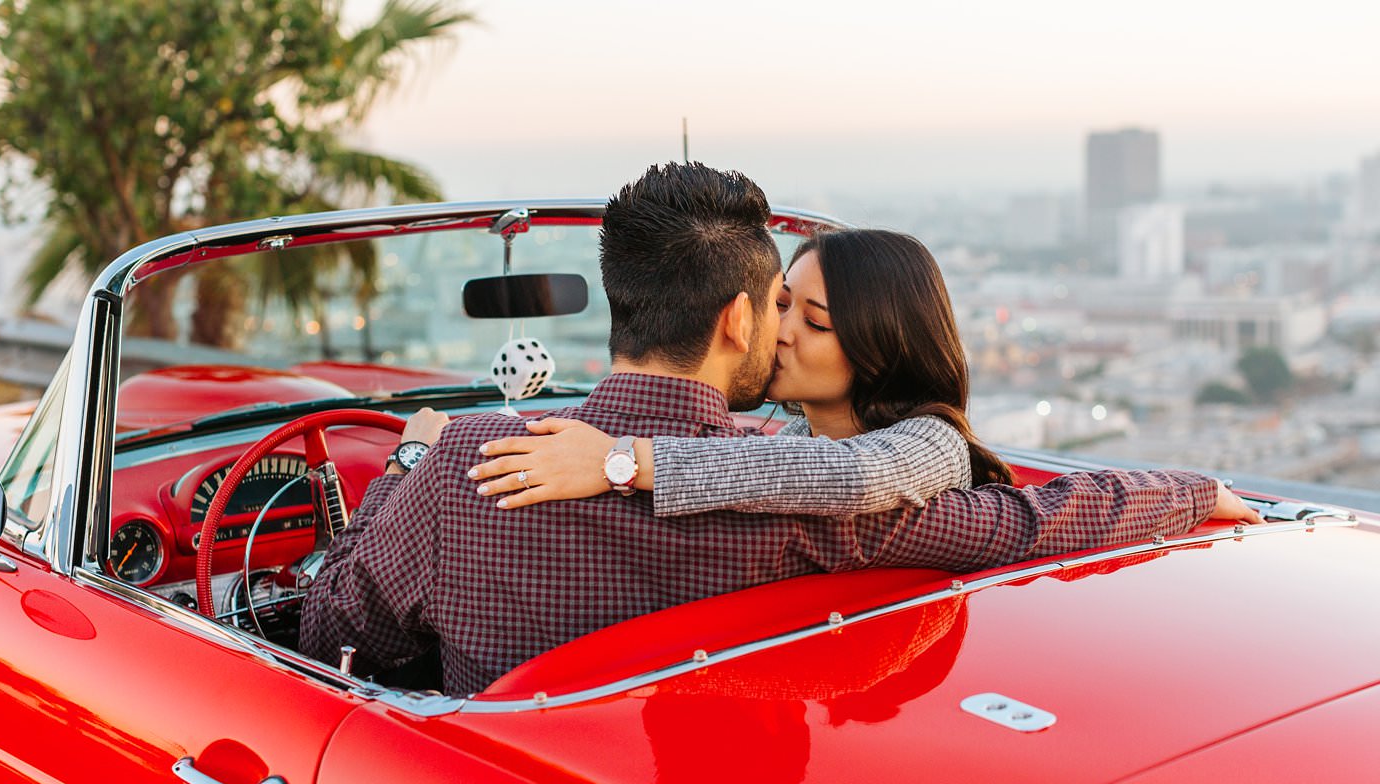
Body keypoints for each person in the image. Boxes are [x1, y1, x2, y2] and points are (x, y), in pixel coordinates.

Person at [298, 162, 1258, 697]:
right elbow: (1029, 522)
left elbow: (330, 628)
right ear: (737, 323)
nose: (786, 328)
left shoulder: (469, 462)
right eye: (779, 304)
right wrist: (1190, 492)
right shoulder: (815, 497)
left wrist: (409, 461)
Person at [464, 228, 1004, 514]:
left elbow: (854, 477)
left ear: (882, 350)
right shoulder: (792, 433)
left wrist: (616, 460)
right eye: (782, 304)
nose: (781, 331)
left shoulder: (934, 442)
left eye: (814, 323)